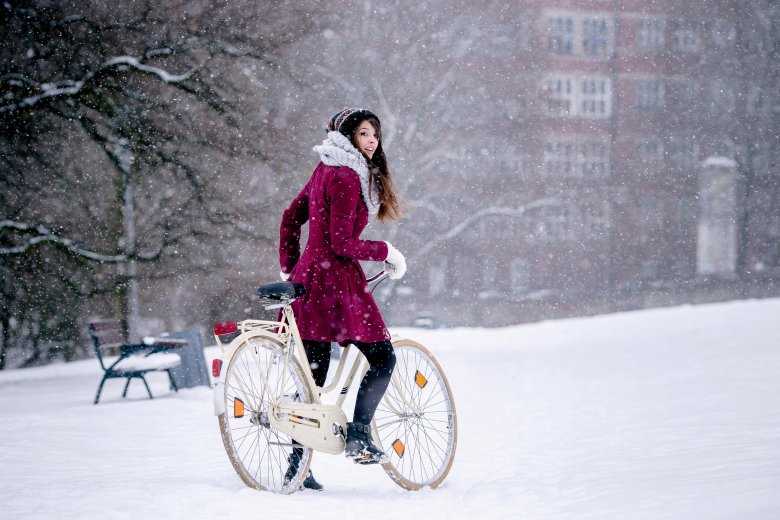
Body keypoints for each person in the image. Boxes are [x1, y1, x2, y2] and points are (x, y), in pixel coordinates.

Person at [278, 108, 406, 490]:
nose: (371, 141)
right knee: (383, 357)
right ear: (348, 137)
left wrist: (290, 268)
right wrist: (386, 250)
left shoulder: (325, 168)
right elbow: (342, 243)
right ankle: (359, 434)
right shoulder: (348, 176)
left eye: (375, 135)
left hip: (309, 280)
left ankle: (297, 468)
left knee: (313, 378)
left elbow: (289, 217)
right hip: (336, 283)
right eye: (364, 134)